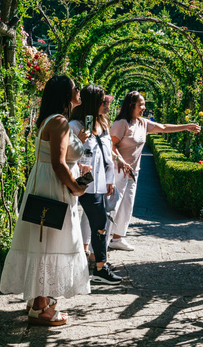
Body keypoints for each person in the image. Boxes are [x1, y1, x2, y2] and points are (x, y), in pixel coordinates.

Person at [0, 75, 91, 326]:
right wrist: (76, 188)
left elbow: (61, 158)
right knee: (48, 241)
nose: (79, 91)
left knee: (44, 239)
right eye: (75, 88)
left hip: (44, 182)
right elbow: (59, 164)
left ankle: (38, 300)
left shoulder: (50, 120)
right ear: (65, 95)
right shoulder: (60, 121)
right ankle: (40, 308)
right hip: (54, 186)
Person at [109, 91, 201, 251]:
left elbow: (164, 127)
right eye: (141, 104)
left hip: (133, 172)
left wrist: (186, 127)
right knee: (113, 206)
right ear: (131, 105)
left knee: (127, 206)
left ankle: (117, 239)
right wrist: (121, 161)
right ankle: (100, 241)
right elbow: (110, 146)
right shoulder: (121, 124)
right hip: (118, 171)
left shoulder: (142, 123)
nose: (144, 107)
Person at [69, 86, 122, 285]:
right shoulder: (75, 125)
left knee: (100, 222)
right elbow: (69, 153)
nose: (108, 104)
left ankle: (99, 265)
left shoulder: (102, 124)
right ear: (94, 104)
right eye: (104, 101)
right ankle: (99, 266)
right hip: (81, 179)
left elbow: (107, 155)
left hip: (97, 182)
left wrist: (109, 181)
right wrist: (80, 140)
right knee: (94, 221)